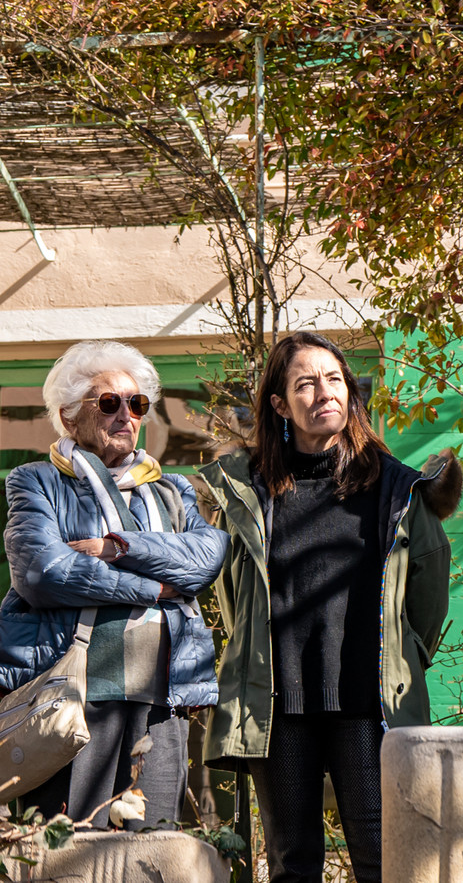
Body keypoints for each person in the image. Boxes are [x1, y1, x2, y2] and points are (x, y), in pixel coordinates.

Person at [199, 332, 457, 883]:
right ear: (279, 403)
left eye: (335, 379)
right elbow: (233, 593)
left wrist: (405, 656)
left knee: (382, 858)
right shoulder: (250, 490)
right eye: (306, 383)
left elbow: (429, 589)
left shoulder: (394, 487)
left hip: (366, 703)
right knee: (292, 865)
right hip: (279, 708)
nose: (324, 393)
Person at [1, 340, 227, 828]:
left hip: (162, 699)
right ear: (68, 417)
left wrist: (118, 547)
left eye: (137, 403)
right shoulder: (37, 481)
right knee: (73, 851)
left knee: (154, 847)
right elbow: (43, 573)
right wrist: (154, 589)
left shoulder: (173, 490)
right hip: (76, 697)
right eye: (108, 402)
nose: (126, 414)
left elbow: (206, 560)